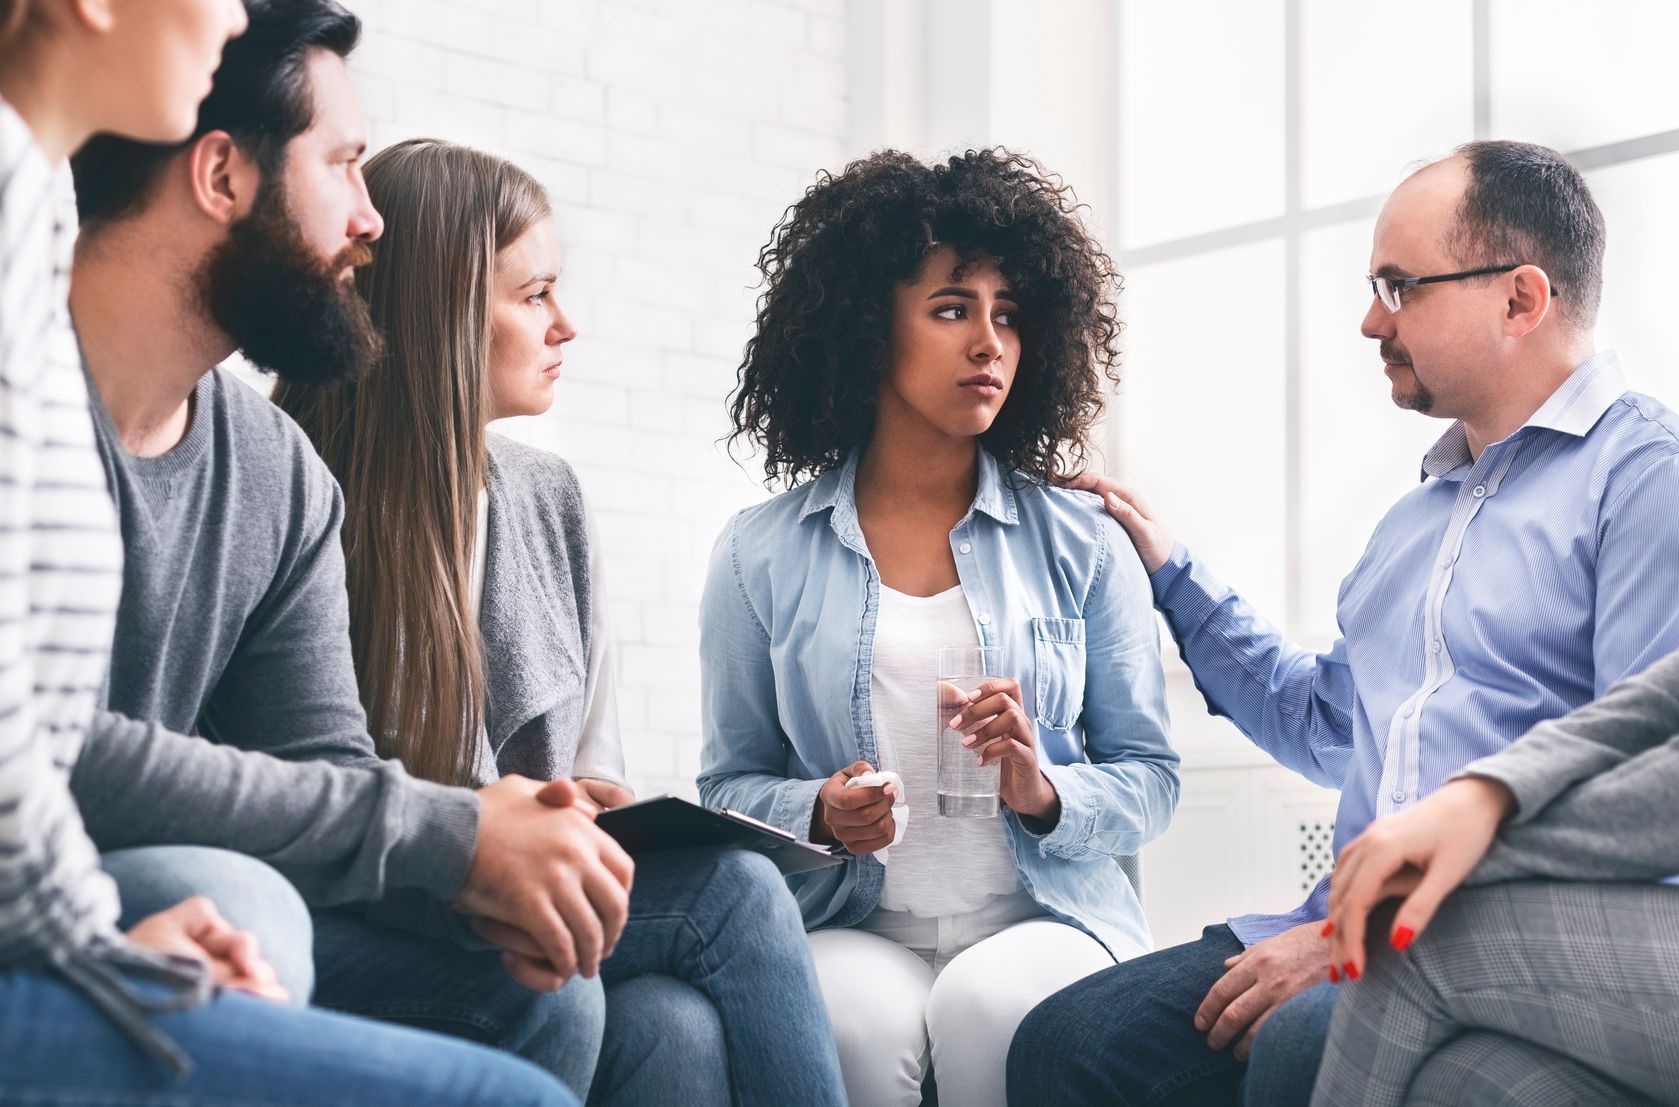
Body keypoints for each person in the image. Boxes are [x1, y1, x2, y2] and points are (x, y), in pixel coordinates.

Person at [1009, 140, 1679, 1105]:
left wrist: (1368, 945)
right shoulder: (1416, 522)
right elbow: (1329, 724)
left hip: (1552, 969)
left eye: (1399, 286)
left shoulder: (1665, 487)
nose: (1371, 319)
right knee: (1068, 1045)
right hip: (1345, 926)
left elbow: (1651, 819)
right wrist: (1171, 573)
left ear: (1521, 299)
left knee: (1308, 1040)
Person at [1314, 2, 1679, 1102]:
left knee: (1416, 942)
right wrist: (1491, 793)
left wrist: (1499, 845)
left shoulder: (1661, 478)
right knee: (1476, 1081)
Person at [0, 1, 572, 1102]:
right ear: (222, 175)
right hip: (88, 882)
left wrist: (497, 867)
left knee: (549, 989)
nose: (371, 219)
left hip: (75, 890)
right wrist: (451, 833)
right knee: (241, 897)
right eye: (346, 165)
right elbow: (43, 738)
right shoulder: (22, 317)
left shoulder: (280, 474)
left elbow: (322, 772)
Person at [273, 136, 848, 1107]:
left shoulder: (548, 500)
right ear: (444, 311)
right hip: (374, 900)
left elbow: (588, 760)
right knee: (735, 894)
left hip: (511, 884)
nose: (566, 325)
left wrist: (590, 800)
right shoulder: (304, 490)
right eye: (534, 295)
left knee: (671, 1023)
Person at [700, 147, 1180, 1107]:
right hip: (853, 923)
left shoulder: (1085, 542)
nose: (990, 342)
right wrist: (818, 811)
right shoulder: (759, 553)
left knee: (987, 1007)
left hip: (1042, 918)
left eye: (1010, 314)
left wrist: (1043, 789)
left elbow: (1151, 778)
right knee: (849, 1022)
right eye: (953, 309)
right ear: (867, 326)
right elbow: (726, 787)